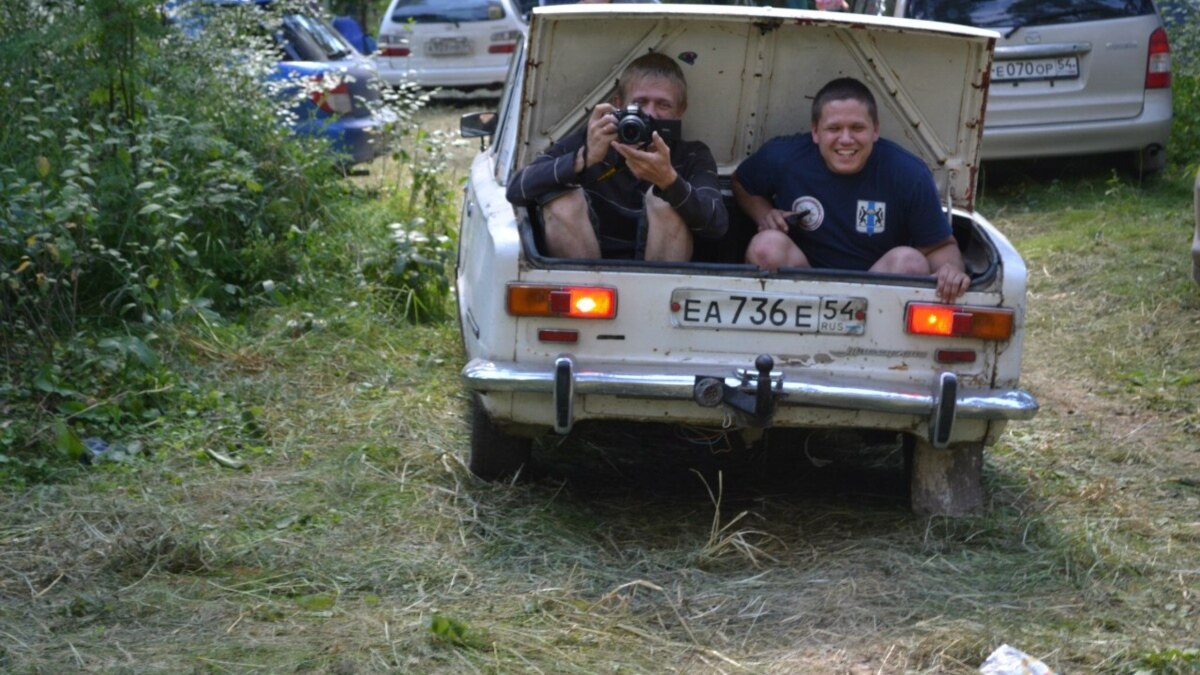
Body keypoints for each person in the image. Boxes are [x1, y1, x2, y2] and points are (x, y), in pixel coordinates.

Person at [733, 77, 970, 303]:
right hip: (800, 284)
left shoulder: (908, 173)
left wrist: (949, 271)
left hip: (876, 291)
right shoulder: (784, 156)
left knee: (909, 261)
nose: (846, 139)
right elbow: (742, 182)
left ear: (875, 130)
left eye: (857, 128)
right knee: (766, 245)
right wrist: (765, 215)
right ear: (815, 132)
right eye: (834, 128)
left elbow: (940, 246)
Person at [506, 52, 728, 261]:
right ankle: (588, 286)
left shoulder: (691, 155)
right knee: (562, 200)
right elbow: (517, 189)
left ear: (680, 111)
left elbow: (717, 226)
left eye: (663, 104)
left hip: (660, 286)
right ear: (619, 105)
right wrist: (584, 159)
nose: (650, 113)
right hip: (588, 292)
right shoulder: (594, 139)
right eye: (640, 103)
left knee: (665, 201)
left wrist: (669, 181)